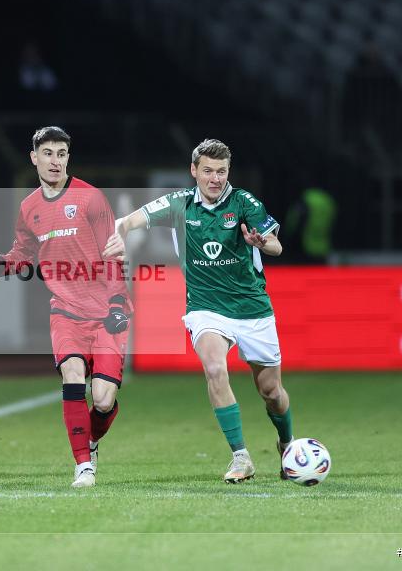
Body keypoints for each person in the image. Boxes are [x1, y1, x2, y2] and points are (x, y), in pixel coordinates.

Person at [104, 139, 293, 483]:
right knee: (215, 368)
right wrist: (119, 234)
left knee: (272, 394)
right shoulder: (179, 204)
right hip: (206, 309)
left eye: (221, 171)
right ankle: (241, 458)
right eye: (208, 171)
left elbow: (277, 244)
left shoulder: (243, 202)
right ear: (194, 171)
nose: (215, 178)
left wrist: (264, 243)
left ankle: (287, 443)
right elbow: (127, 221)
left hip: (252, 308)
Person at [0, 126, 131, 488]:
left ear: (68, 158)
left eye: (61, 153)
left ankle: (89, 440)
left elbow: (113, 255)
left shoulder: (91, 198)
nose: (55, 161)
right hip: (65, 311)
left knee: (104, 400)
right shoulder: (28, 207)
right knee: (73, 377)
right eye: (47, 153)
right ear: (34, 158)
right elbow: (24, 254)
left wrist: (116, 302)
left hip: (107, 312)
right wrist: (1, 265)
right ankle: (83, 465)